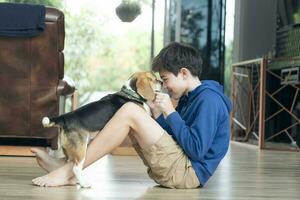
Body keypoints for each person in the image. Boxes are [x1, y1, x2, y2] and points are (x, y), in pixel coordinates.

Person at [31, 42, 231, 189]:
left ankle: (67, 172)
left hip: (187, 174)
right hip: (180, 164)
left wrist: (170, 111)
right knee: (130, 112)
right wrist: (157, 115)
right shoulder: (190, 97)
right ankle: (71, 167)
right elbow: (176, 135)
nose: (165, 86)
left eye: (165, 79)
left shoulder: (208, 100)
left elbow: (196, 149)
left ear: (184, 73)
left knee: (129, 110)